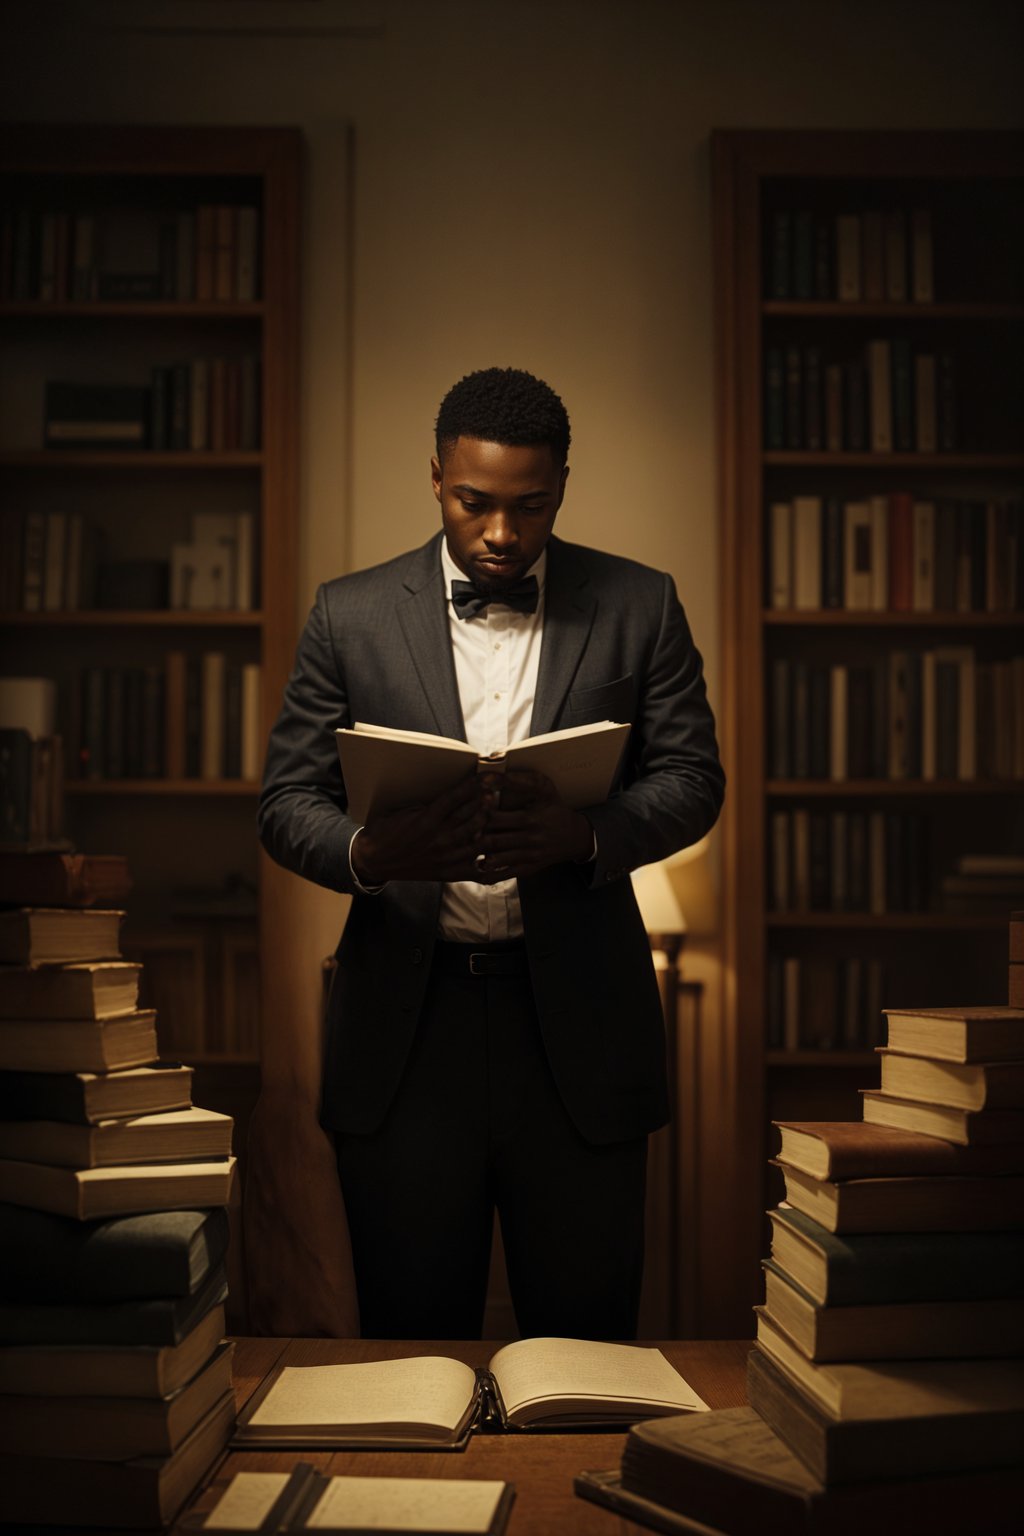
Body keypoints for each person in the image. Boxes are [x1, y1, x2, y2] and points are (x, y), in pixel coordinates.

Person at [257, 366, 725, 1340]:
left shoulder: (641, 604)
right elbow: (286, 804)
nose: (503, 535)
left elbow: (692, 780)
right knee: (409, 1352)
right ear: (435, 478)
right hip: (405, 1035)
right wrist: (372, 853)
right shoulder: (348, 615)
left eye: (530, 507)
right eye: (476, 504)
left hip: (581, 1035)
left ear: (561, 487)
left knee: (590, 1355)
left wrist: (588, 836)